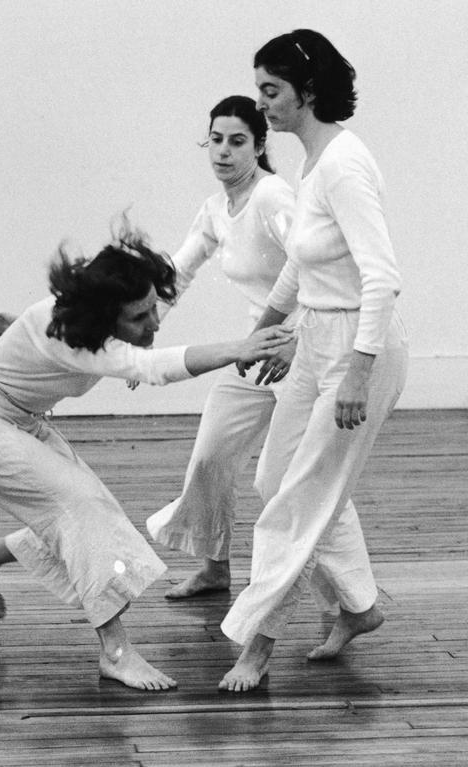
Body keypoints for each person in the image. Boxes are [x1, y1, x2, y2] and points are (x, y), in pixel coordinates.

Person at [0, 229, 293, 691]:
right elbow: (150, 367)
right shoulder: (72, 334)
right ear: (106, 315)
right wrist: (237, 348)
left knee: (84, 512)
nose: (153, 323)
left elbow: (77, 345)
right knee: (81, 508)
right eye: (140, 316)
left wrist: (17, 334)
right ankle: (116, 652)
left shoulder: (75, 324)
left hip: (17, 419)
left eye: (152, 308)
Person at [218, 29, 408, 693]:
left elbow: (382, 276)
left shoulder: (345, 165)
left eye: (271, 90)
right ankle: (359, 605)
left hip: (360, 347)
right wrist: (263, 328)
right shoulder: (313, 163)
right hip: (316, 339)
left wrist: (357, 370)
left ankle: (257, 646)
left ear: (308, 91)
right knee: (276, 480)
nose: (262, 102)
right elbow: (301, 264)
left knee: (298, 501)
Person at [144, 95, 296, 598]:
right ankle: (214, 568)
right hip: (255, 349)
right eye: (216, 140)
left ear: (258, 146)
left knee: (291, 480)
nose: (224, 152)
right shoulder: (215, 209)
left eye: (237, 142)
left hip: (300, 348)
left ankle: (336, 599)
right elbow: (178, 272)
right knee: (211, 456)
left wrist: (297, 340)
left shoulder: (273, 197)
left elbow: (314, 266)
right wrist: (140, 336)